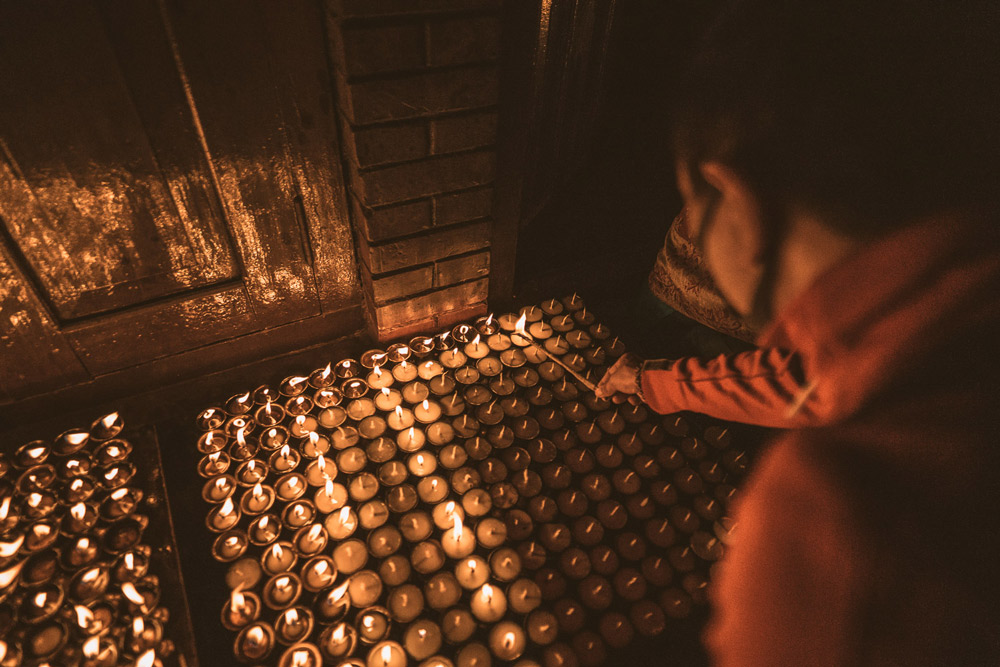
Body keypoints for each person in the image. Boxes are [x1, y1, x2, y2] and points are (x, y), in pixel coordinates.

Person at [595, 1, 1000, 664]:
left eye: (691, 206)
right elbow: (806, 376)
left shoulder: (840, 519)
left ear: (738, 203)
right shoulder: (939, 314)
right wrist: (652, 382)